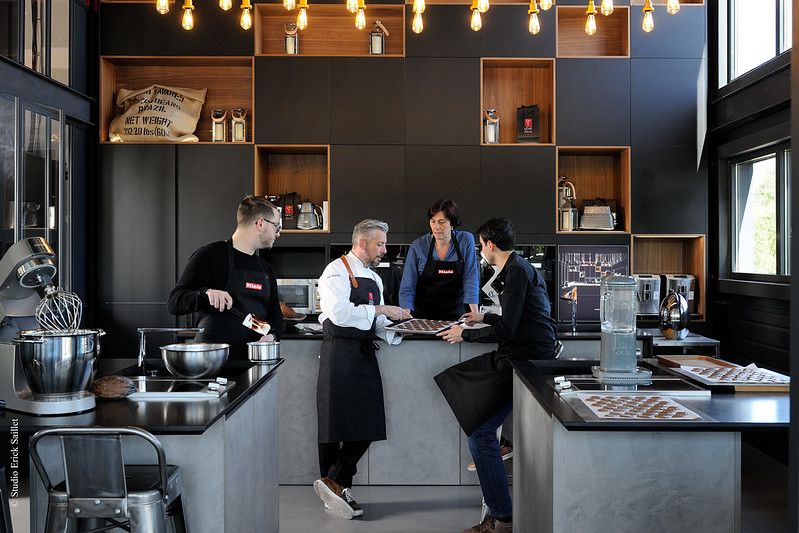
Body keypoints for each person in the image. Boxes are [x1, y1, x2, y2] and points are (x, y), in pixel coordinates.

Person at [434, 217, 557, 533]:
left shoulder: (515, 272)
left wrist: (465, 334)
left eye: (480, 245)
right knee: (466, 393)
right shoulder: (518, 267)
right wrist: (481, 316)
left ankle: (501, 519)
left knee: (480, 434)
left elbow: (508, 329)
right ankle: (501, 509)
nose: (481, 251)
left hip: (525, 360)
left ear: (489, 244)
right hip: (523, 354)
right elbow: (516, 318)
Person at [313, 219, 411, 520]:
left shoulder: (374, 278)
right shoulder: (335, 272)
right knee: (334, 426)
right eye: (379, 244)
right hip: (338, 353)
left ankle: (336, 480)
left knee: (368, 421)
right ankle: (340, 487)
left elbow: (376, 323)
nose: (384, 249)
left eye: (384, 243)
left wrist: (401, 326)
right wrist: (383, 310)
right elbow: (340, 314)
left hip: (364, 353)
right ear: (361, 243)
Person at [167, 195, 284, 360]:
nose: (278, 233)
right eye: (276, 226)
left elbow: (276, 317)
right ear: (260, 223)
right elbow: (174, 302)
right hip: (213, 362)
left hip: (253, 360)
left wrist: (272, 336)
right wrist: (205, 294)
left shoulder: (266, 269)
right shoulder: (210, 256)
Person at [398, 199, 480, 320]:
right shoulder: (418, 246)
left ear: (452, 224)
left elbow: (470, 278)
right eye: (433, 221)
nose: (436, 227)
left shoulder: (466, 240)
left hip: (455, 315)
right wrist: (405, 317)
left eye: (442, 222)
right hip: (423, 316)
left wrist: (475, 315)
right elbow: (408, 285)